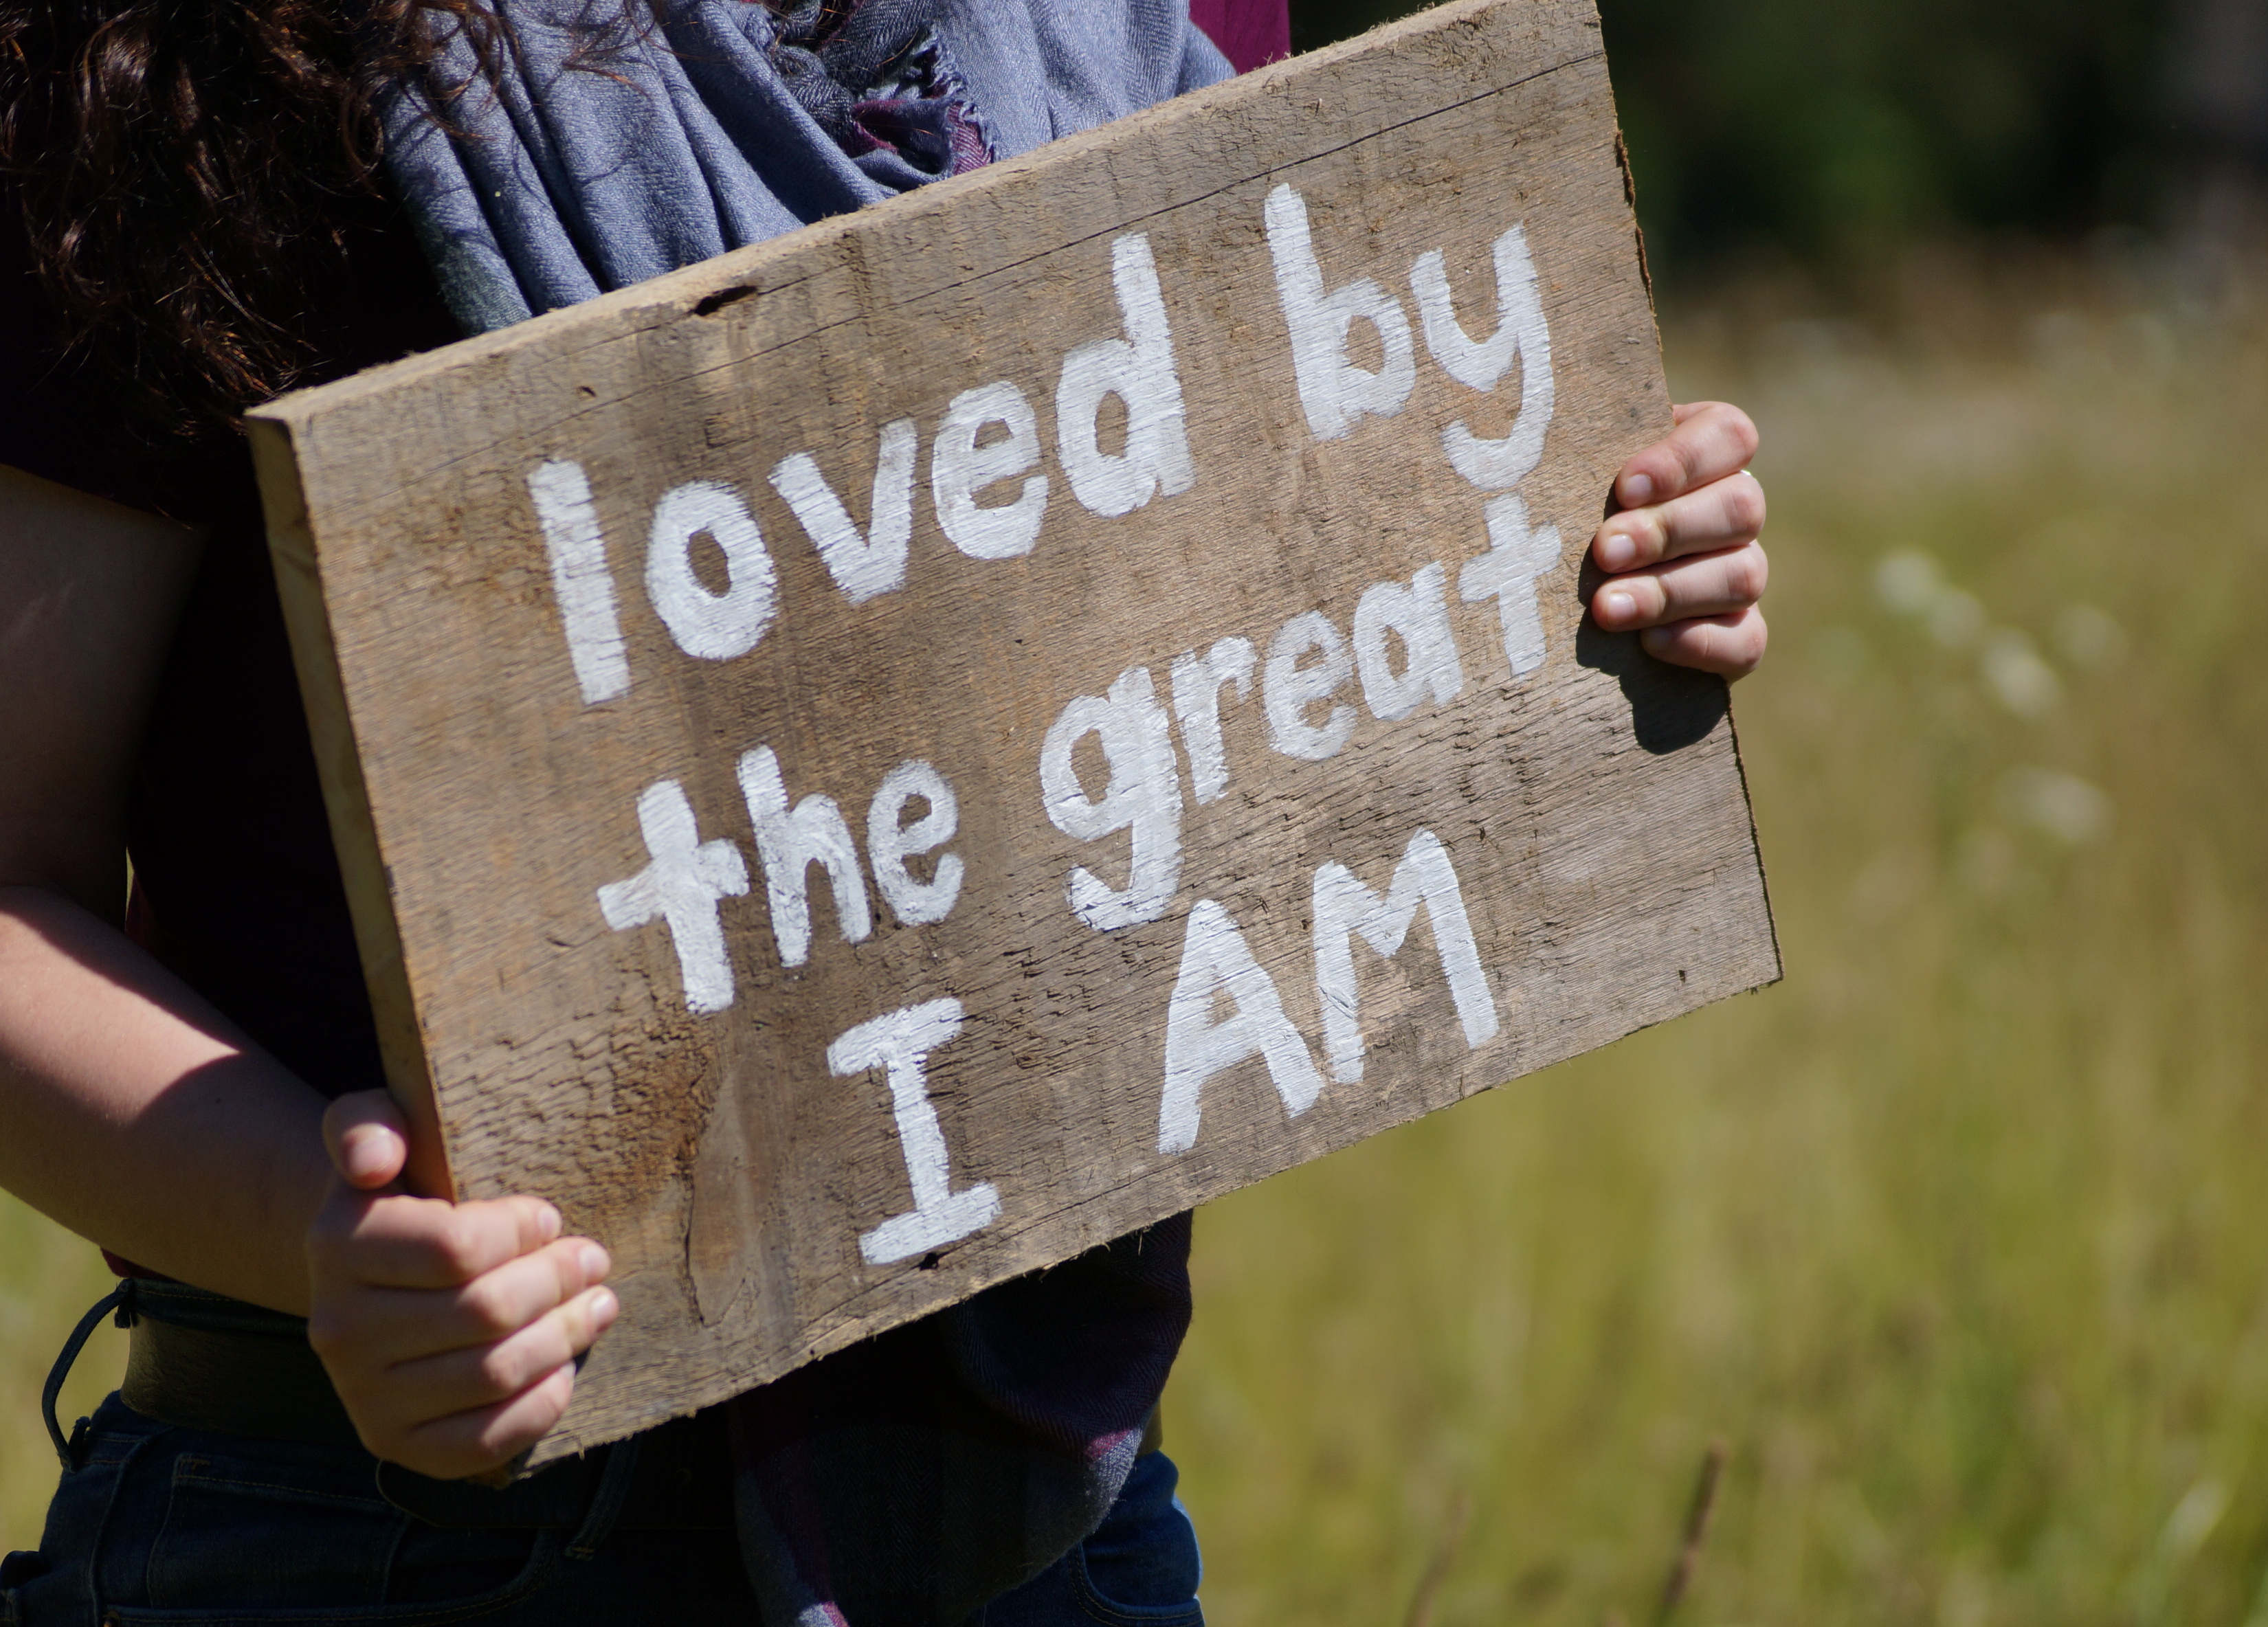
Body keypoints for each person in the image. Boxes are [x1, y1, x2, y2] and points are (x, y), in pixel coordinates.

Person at [0, 0, 1770, 1617]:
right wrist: (328, 1237)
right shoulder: (198, 49)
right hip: (373, 1533)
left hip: (1035, 1508)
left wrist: (1593, 563)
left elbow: (1252, 568)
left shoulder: (1148, 20)